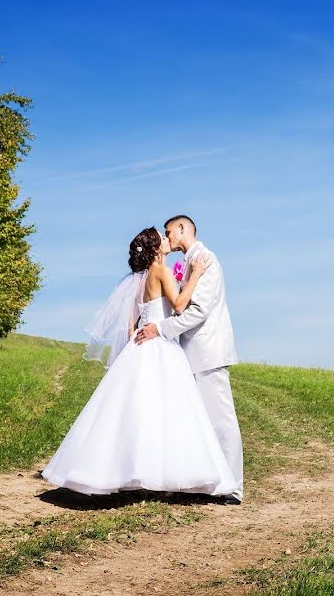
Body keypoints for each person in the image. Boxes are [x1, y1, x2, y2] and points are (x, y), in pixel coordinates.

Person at [40, 227, 236, 496]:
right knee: (165, 411)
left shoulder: (139, 280)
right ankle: (161, 475)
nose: (168, 241)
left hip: (139, 347)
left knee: (135, 410)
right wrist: (196, 276)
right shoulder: (161, 272)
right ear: (156, 250)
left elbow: (132, 326)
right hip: (160, 346)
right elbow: (179, 306)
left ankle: (126, 472)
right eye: (163, 238)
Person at [135, 215, 243, 503]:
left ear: (182, 229)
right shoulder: (186, 263)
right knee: (198, 422)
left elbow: (198, 310)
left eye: (169, 232)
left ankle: (232, 487)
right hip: (187, 353)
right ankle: (204, 481)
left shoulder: (205, 259)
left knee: (221, 420)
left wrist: (160, 328)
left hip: (207, 351)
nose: (167, 237)